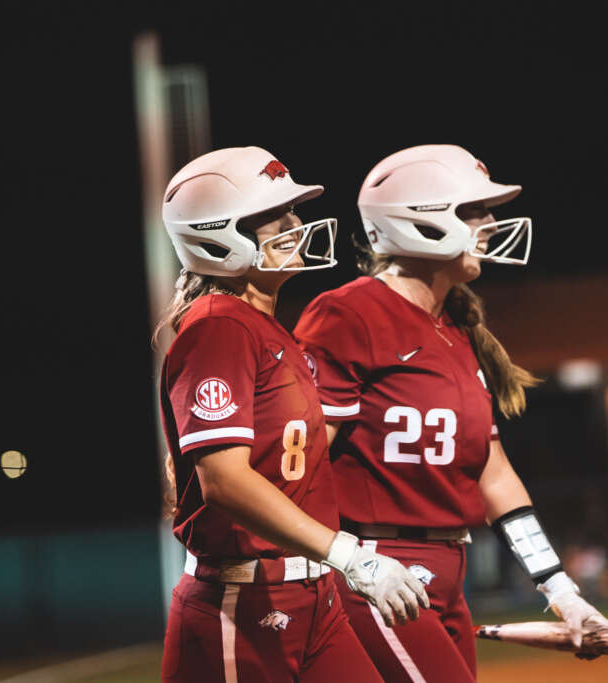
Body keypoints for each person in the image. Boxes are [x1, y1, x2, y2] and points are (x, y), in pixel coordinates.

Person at [294, 144, 608, 682]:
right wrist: (337, 561)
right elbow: (299, 461)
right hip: (376, 569)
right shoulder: (347, 313)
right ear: (417, 220)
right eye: (473, 211)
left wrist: (559, 587)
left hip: (447, 573)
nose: (489, 224)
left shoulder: (455, 331)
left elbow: (494, 474)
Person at [156, 146, 429, 683]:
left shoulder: (270, 329)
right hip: (243, 602)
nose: (295, 225)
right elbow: (225, 482)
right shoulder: (219, 326)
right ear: (219, 233)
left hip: (311, 594)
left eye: (292, 212)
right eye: (273, 217)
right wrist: (353, 555)